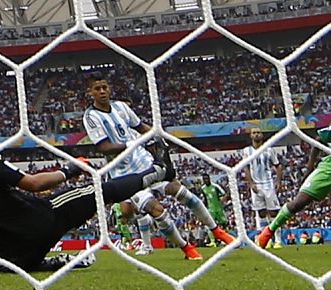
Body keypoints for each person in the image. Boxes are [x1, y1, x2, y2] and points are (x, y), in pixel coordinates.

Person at [0, 110, 172, 275]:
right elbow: (34, 184)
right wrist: (70, 170)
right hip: (41, 222)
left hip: (7, 252)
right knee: (100, 189)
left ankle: (51, 264)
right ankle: (161, 171)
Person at [82, 72, 233, 254]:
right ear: (90, 92)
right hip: (127, 177)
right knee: (157, 211)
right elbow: (104, 147)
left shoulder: (121, 107)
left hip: (146, 163)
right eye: (97, 89)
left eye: (105, 87)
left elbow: (141, 127)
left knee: (183, 193)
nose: (103, 91)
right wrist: (131, 143)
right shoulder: (91, 117)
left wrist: (159, 137)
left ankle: (217, 231)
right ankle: (187, 249)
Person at [256, 114, 331, 255]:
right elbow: (319, 139)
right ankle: (268, 231)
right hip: (327, 169)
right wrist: (310, 167)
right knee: (298, 204)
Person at [243, 127, 283, 248]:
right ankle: (266, 239)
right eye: (254, 133)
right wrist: (251, 183)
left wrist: (278, 181)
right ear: (251, 136)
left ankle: (278, 240)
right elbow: (246, 168)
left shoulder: (269, 150)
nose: (256, 135)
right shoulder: (246, 151)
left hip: (268, 184)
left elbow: (278, 166)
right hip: (256, 185)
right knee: (261, 213)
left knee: (273, 212)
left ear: (262, 135)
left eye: (258, 132)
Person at [200, 172, 230, 246]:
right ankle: (212, 242)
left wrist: (222, 202)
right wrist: (204, 208)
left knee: (224, 224)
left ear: (209, 179)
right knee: (210, 225)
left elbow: (225, 194)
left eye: (207, 179)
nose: (206, 180)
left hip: (219, 209)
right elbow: (205, 199)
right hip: (210, 210)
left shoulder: (215, 186)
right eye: (204, 179)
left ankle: (226, 240)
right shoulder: (203, 188)